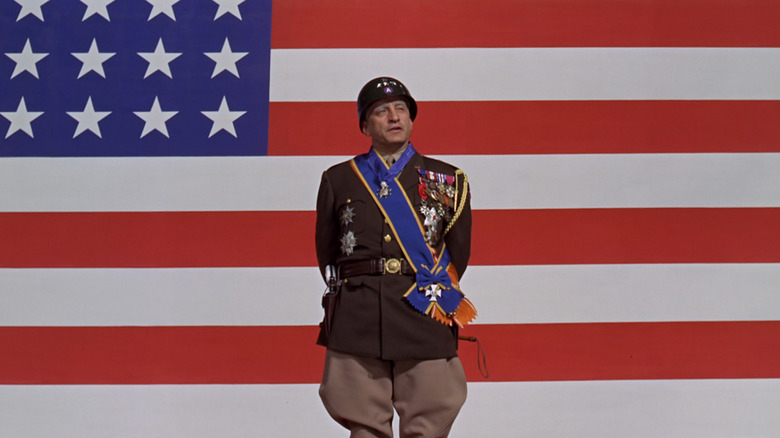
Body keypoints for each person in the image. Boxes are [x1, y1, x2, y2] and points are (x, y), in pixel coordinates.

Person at [315, 76, 477, 438]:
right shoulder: (338, 179)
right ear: (364, 125)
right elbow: (327, 252)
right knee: (363, 424)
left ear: (412, 119)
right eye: (381, 111)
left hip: (422, 310)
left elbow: (459, 253)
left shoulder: (448, 179)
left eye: (401, 109)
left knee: (429, 419)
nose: (393, 117)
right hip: (358, 315)